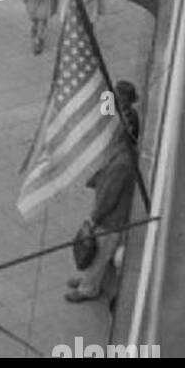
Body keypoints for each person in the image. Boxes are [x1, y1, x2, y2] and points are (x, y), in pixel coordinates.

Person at [66, 108, 138, 303]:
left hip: (110, 218)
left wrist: (95, 217)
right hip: (108, 214)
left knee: (98, 253)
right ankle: (85, 278)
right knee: (97, 250)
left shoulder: (123, 162)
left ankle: (88, 288)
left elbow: (109, 196)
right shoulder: (120, 152)